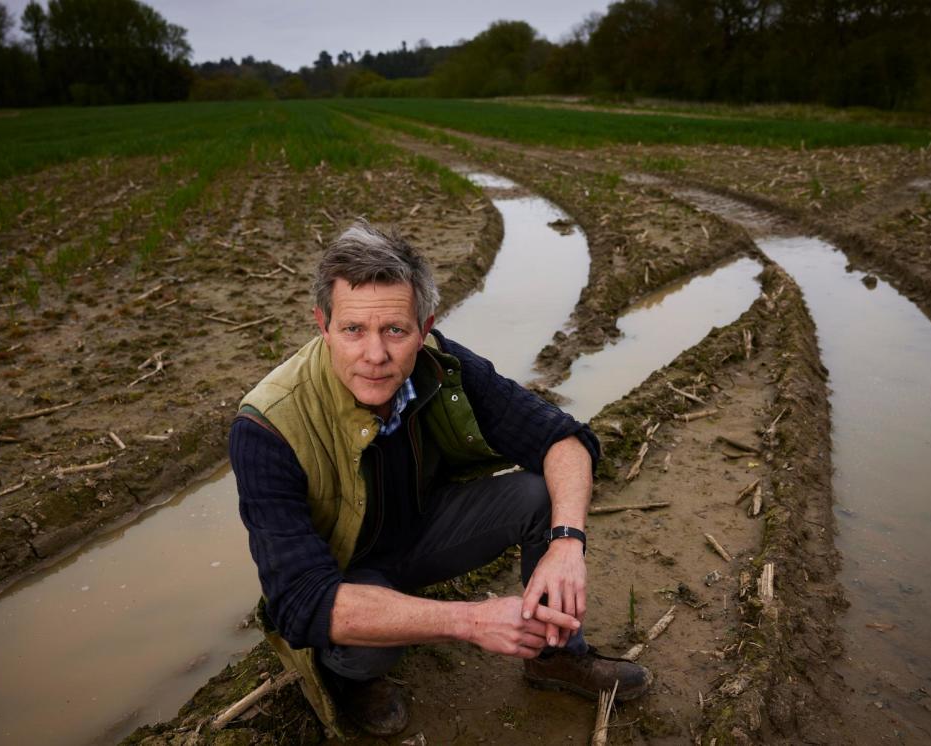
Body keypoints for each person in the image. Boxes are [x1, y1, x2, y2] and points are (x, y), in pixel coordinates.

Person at [230, 220, 650, 738]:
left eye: (395, 330)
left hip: (422, 534)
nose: (376, 355)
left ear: (424, 328)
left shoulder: (440, 364)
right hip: (343, 576)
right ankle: (354, 679)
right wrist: (471, 620)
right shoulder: (267, 426)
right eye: (353, 330)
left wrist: (566, 543)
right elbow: (300, 603)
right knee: (366, 649)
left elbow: (564, 439)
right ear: (323, 325)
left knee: (540, 495)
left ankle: (553, 657)